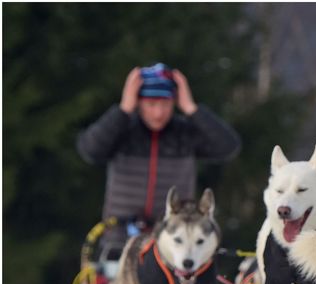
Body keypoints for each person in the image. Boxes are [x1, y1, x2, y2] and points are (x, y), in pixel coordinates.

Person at [77, 63, 242, 260]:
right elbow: (90, 149)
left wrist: (191, 109)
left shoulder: (185, 134)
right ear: (138, 102)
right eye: (151, 104)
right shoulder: (122, 130)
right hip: (119, 241)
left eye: (165, 104)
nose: (158, 113)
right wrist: (123, 110)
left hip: (173, 242)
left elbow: (228, 146)